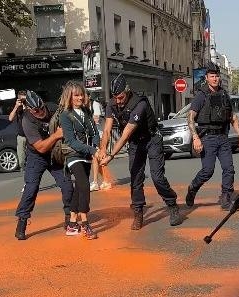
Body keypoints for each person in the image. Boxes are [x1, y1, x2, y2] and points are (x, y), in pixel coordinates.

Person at [99, 74, 182, 230]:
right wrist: (103, 148)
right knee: (135, 177)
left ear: (127, 91)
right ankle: (138, 211)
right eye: (115, 98)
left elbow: (125, 135)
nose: (118, 101)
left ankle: (172, 204)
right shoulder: (112, 104)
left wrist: (110, 156)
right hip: (135, 142)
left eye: (121, 97)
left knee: (157, 177)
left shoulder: (140, 103)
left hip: (151, 139)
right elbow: (107, 129)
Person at [14, 91, 74, 240]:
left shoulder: (54, 109)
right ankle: (22, 221)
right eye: (36, 110)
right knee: (31, 188)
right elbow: (40, 147)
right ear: (29, 109)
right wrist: (56, 135)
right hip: (37, 155)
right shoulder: (27, 121)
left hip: (55, 154)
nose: (40, 112)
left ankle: (69, 218)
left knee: (67, 185)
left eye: (41, 108)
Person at [185, 61, 239, 210]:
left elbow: (232, 117)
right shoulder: (201, 95)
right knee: (207, 171)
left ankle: (226, 199)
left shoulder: (224, 95)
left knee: (229, 168)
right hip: (207, 138)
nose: (215, 79)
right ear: (207, 78)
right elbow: (190, 117)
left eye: (217, 76)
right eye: (212, 76)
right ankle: (192, 188)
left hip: (223, 138)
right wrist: (195, 137)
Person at [59, 81, 100, 239]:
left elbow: (95, 132)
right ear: (69, 96)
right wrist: (93, 150)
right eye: (76, 95)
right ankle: (85, 223)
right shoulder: (65, 115)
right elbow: (71, 141)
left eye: (82, 94)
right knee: (84, 186)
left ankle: (71, 223)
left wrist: (95, 146)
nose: (80, 97)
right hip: (73, 155)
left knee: (78, 190)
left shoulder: (86, 111)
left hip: (87, 155)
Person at [89, 96, 112, 191]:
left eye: (83, 95)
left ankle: (100, 182)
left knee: (98, 158)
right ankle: (103, 181)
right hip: (93, 136)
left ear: (88, 96)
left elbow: (97, 119)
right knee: (95, 159)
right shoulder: (84, 106)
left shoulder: (95, 105)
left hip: (101, 136)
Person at [9, 91, 27, 173]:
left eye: (24, 99)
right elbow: (10, 118)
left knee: (32, 159)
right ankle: (25, 174)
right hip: (21, 136)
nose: (23, 101)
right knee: (21, 160)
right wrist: (16, 106)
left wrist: (26, 106)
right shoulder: (18, 109)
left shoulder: (30, 107)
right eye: (21, 99)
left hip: (31, 136)